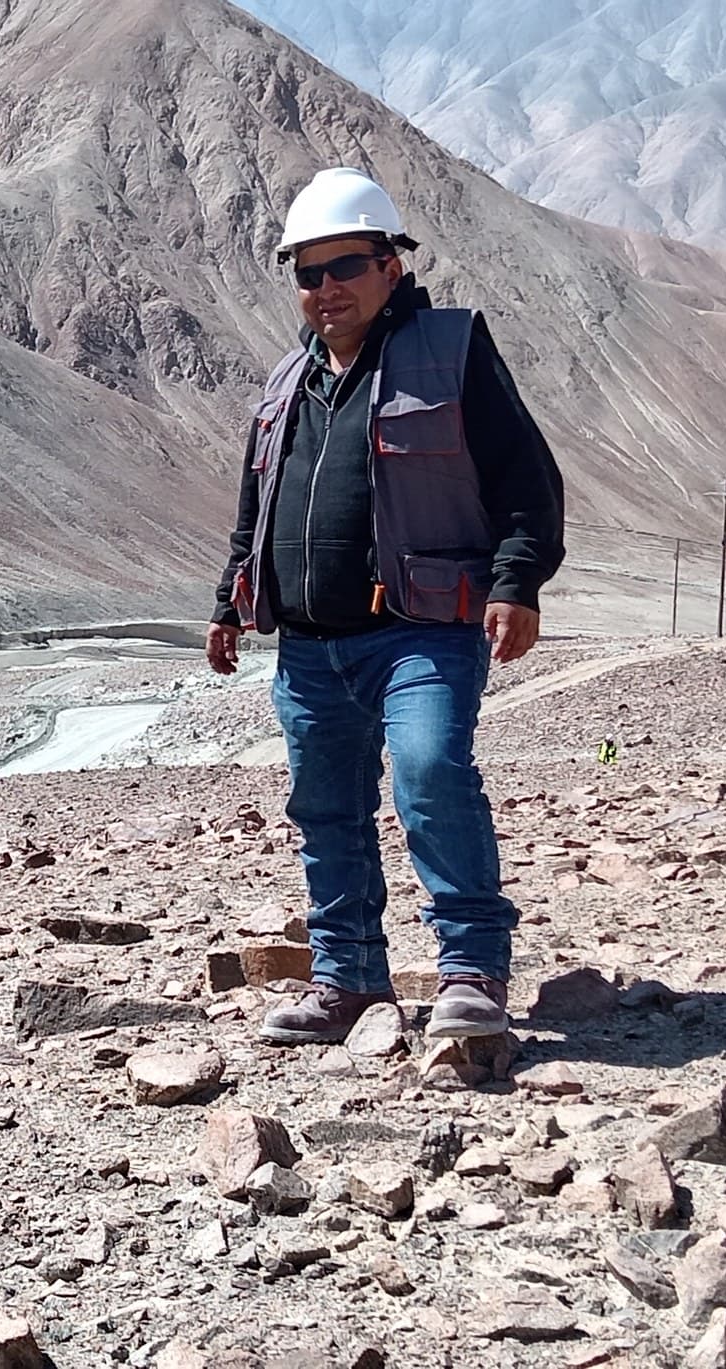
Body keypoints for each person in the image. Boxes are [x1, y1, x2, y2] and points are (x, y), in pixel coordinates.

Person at [208, 168, 567, 1045]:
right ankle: (350, 981)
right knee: (325, 809)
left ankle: (472, 969)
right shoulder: (288, 380)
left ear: (391, 267)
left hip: (422, 634)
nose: (326, 288)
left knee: (431, 774)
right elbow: (261, 504)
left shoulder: (452, 350)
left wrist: (517, 581)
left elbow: (529, 480)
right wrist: (229, 602)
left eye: (346, 266)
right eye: (307, 273)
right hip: (309, 645)